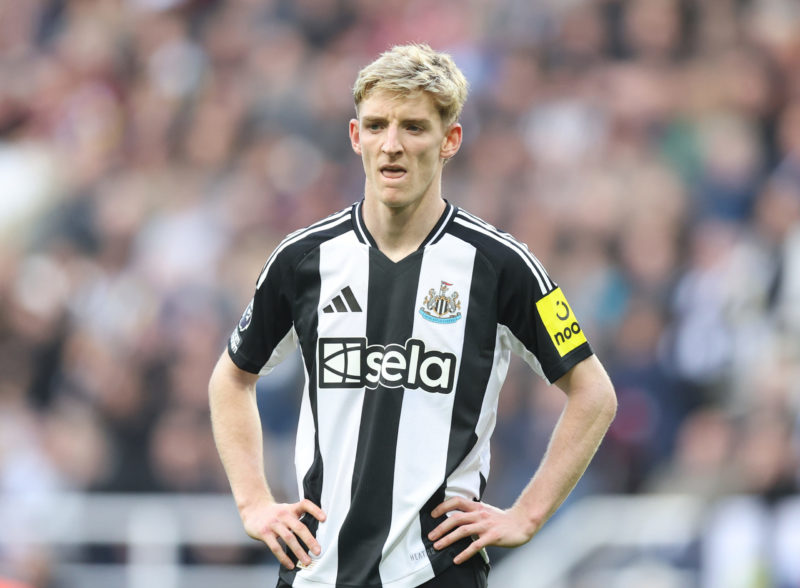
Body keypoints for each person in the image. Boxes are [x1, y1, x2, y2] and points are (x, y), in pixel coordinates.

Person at [208, 43, 617, 588]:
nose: (392, 146)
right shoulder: (303, 260)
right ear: (356, 138)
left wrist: (528, 514)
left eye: (414, 128)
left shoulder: (501, 266)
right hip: (316, 570)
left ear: (450, 141)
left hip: (436, 572)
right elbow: (231, 378)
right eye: (376, 126)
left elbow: (594, 394)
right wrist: (254, 502)